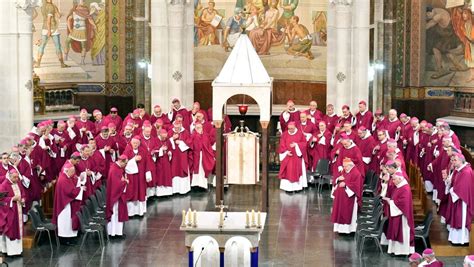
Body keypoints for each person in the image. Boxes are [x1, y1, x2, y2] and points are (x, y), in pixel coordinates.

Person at [381, 172, 415, 255]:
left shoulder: (405, 188)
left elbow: (403, 203)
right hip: (396, 213)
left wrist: (391, 202)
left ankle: (402, 251)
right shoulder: (399, 186)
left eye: (394, 179)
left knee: (401, 232)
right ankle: (395, 250)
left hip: (402, 216)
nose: (393, 181)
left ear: (400, 179)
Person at [52, 163, 86, 243]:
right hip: (64, 205)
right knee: (65, 221)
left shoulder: (66, 177)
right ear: (67, 171)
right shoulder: (63, 179)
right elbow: (70, 192)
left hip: (66, 203)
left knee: (67, 221)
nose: (73, 173)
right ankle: (64, 239)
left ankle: (68, 237)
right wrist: (80, 189)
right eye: (72, 171)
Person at [446, 153, 474, 245]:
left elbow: (463, 187)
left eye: (455, 160)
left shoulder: (466, 171)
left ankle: (462, 240)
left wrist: (452, 190)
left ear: (461, 161)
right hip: (458, 198)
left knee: (461, 218)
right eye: (453, 160)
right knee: (457, 217)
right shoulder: (459, 170)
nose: (453, 162)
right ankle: (455, 239)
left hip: (463, 200)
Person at [331, 158, 362, 234]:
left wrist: (345, 185)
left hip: (349, 198)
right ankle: (340, 229)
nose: (344, 168)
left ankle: (348, 230)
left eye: (346, 166)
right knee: (339, 212)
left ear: (350, 165)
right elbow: (339, 178)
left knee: (346, 213)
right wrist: (338, 179)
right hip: (341, 198)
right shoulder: (345, 170)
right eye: (344, 166)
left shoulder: (356, 173)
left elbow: (356, 186)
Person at [35, 0, 69, 68]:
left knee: (42, 46)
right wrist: (49, 31)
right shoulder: (51, 6)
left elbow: (58, 16)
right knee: (57, 46)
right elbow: (49, 20)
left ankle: (38, 64)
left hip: (45, 28)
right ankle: (62, 64)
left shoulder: (44, 6)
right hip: (52, 29)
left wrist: (58, 13)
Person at [122, 137, 151, 217]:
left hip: (141, 176)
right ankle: (131, 212)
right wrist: (133, 160)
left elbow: (147, 162)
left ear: (139, 144)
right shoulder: (127, 151)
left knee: (140, 191)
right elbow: (124, 164)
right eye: (134, 143)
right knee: (132, 192)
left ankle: (140, 211)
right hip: (132, 177)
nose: (135, 145)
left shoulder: (143, 151)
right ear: (131, 143)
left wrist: (148, 173)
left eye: (137, 143)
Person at [64, 0, 97, 65]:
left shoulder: (86, 10)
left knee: (83, 46)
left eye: (83, 1)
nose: (82, 2)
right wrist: (70, 29)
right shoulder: (74, 10)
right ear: (78, 2)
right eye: (81, 1)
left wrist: (94, 25)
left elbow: (90, 19)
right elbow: (69, 19)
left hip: (82, 31)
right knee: (67, 42)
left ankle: (82, 61)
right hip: (74, 31)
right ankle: (65, 56)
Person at [0, 169, 25, 256]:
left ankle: (18, 251)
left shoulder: (18, 183)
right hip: (10, 212)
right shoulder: (4, 185)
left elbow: (22, 193)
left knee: (18, 230)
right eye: (14, 177)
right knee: (11, 230)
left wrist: (23, 199)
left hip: (18, 210)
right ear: (10, 176)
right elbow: (1, 200)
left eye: (17, 177)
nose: (16, 179)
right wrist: (12, 199)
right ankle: (11, 252)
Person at [278, 122, 308, 192]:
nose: (290, 130)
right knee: (288, 172)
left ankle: (297, 188)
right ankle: (288, 188)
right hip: (288, 156)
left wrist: (297, 145)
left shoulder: (300, 134)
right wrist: (286, 152)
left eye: (292, 128)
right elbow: (282, 144)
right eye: (289, 128)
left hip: (297, 157)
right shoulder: (284, 134)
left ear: (295, 127)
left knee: (297, 171)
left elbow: (304, 144)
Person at [106, 155, 129, 238]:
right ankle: (113, 233)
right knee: (115, 213)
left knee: (118, 213)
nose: (126, 165)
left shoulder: (118, 168)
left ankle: (118, 232)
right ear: (121, 161)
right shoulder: (114, 169)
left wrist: (124, 180)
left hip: (117, 195)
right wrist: (125, 182)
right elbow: (116, 185)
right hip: (115, 196)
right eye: (125, 163)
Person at [168, 121, 192, 195]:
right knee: (174, 170)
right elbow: (166, 142)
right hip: (174, 155)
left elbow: (189, 143)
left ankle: (183, 190)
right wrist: (172, 138)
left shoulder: (186, 132)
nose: (177, 129)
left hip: (182, 155)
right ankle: (175, 190)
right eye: (175, 127)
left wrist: (180, 142)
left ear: (181, 126)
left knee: (182, 169)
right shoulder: (170, 132)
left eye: (178, 127)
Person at [190, 123, 215, 190]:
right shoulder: (193, 135)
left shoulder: (206, 135)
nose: (198, 129)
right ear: (195, 128)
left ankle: (203, 185)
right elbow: (190, 145)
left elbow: (208, 145)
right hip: (196, 155)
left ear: (202, 127)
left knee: (202, 169)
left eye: (200, 127)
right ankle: (195, 185)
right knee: (196, 169)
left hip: (204, 155)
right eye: (197, 127)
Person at [155, 129, 173, 197]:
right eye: (163, 137)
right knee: (160, 176)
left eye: (165, 137)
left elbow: (170, 149)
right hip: (159, 160)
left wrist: (169, 152)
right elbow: (154, 150)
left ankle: (167, 193)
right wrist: (161, 150)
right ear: (160, 135)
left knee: (167, 176)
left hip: (166, 161)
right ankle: (160, 194)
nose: (164, 138)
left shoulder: (167, 140)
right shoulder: (156, 140)